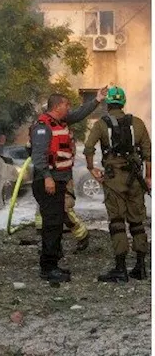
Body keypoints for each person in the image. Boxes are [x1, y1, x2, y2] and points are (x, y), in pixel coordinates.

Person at [30, 88, 105, 283]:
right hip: (49, 182)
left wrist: (96, 100)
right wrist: (47, 177)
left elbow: (80, 114)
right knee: (52, 224)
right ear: (56, 107)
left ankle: (52, 263)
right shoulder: (42, 126)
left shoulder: (61, 121)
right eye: (66, 104)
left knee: (55, 224)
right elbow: (38, 156)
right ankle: (48, 267)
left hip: (59, 181)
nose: (69, 108)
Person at [83, 86, 152, 282]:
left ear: (108, 103)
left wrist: (91, 168)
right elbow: (148, 153)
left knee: (117, 222)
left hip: (113, 180)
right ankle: (140, 266)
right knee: (137, 222)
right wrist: (148, 177)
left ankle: (120, 268)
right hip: (135, 179)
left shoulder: (101, 124)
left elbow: (88, 148)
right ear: (123, 102)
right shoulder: (137, 123)